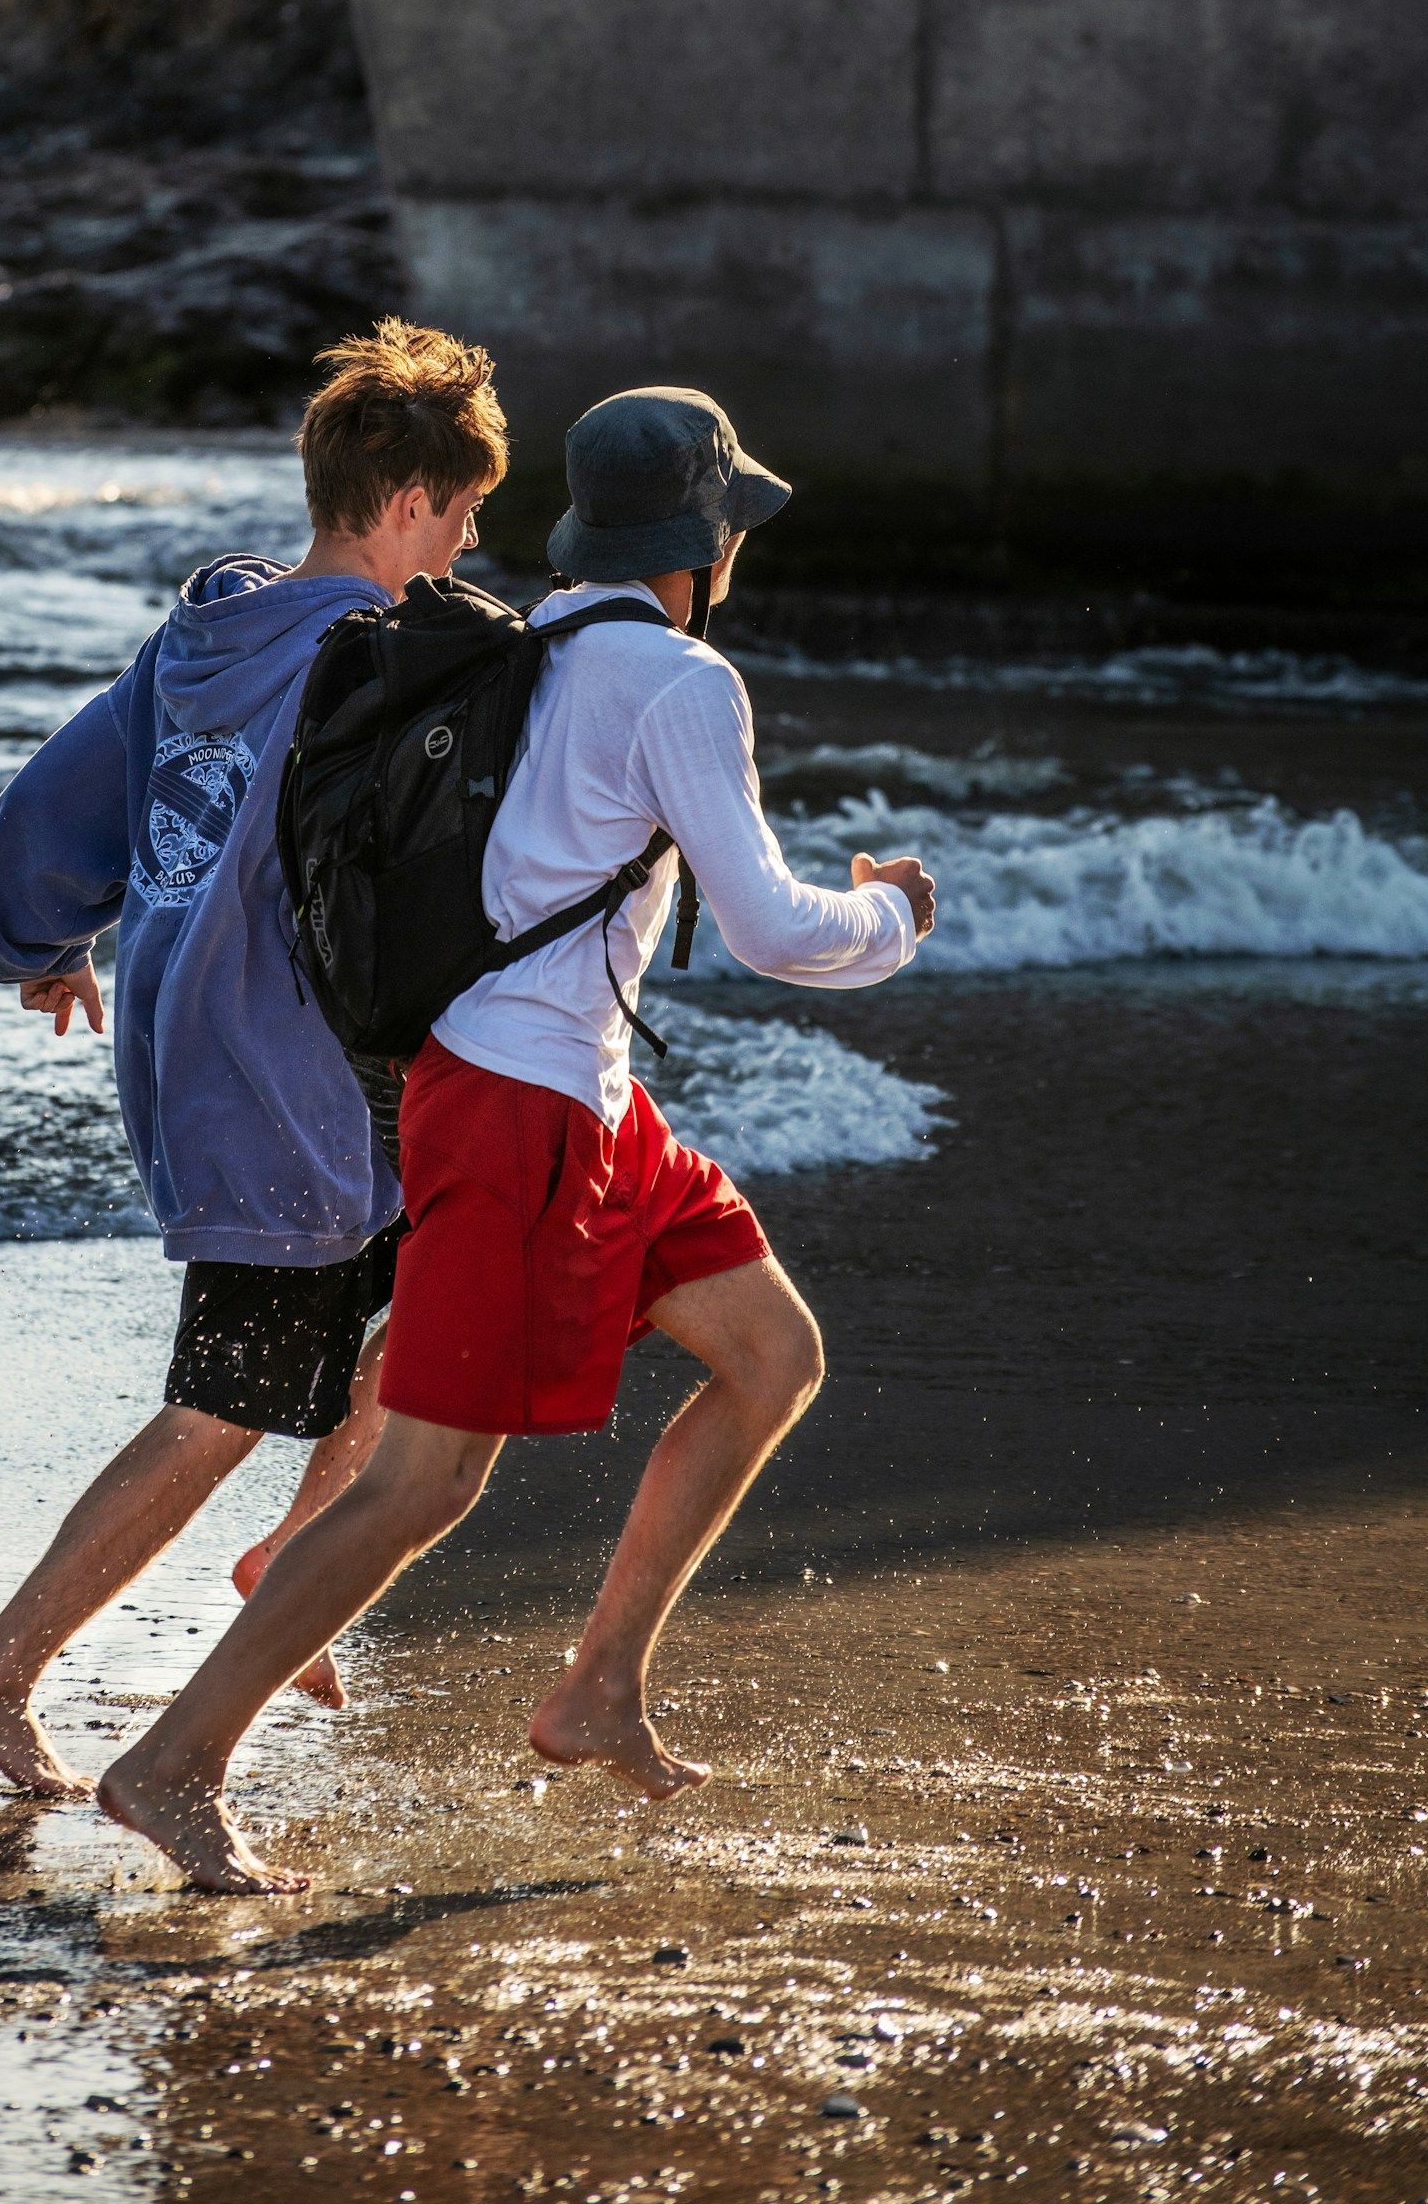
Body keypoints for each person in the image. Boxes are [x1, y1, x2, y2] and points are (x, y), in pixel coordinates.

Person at [92, 386, 936, 1889]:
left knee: (772, 1354)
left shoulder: (528, 636)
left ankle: (598, 1689)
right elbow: (773, 930)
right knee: (425, 1482)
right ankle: (174, 1761)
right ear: (707, 537)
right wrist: (895, 913)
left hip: (584, 1096)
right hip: (521, 1109)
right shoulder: (680, 683)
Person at [0, 320, 509, 1796]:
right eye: (462, 513)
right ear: (402, 507)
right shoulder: (379, 665)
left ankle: (295, 1560)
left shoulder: (200, 636)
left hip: (248, 1045)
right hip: (272, 1073)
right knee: (228, 1399)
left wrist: (38, 944)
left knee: (439, 1293)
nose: (467, 543)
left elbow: (49, 808)